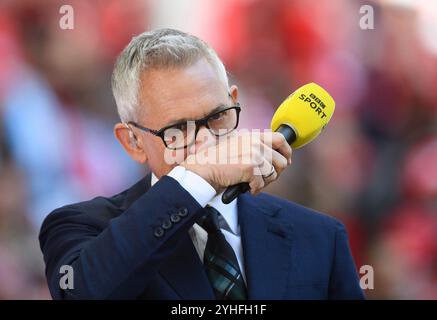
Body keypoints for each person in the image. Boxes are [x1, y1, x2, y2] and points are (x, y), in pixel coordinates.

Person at [39, 28, 364, 300]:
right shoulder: (80, 227)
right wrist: (198, 176)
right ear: (133, 141)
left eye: (218, 116)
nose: (206, 142)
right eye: (178, 129)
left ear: (235, 101)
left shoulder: (320, 237)